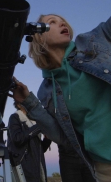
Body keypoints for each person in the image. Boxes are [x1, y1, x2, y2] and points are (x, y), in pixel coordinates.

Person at [10, 14, 111, 182]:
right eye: (52, 22)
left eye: (62, 21)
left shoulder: (92, 41)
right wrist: (29, 101)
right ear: (39, 37)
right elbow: (64, 137)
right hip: (105, 168)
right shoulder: (46, 91)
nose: (62, 23)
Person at [7, 101, 51, 182]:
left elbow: (40, 149)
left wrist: (47, 139)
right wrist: (39, 126)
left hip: (38, 168)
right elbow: (17, 139)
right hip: (22, 167)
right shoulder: (15, 117)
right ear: (19, 105)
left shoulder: (33, 122)